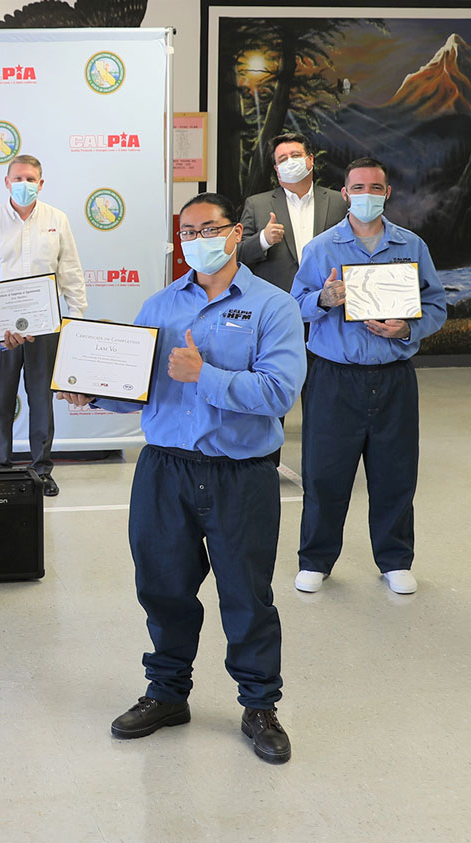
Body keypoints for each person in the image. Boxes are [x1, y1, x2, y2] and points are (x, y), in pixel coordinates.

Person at [63, 193, 305, 764]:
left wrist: (206, 376)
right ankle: (167, 693)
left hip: (241, 473)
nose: (195, 238)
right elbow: (138, 387)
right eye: (185, 231)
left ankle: (259, 704)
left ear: (234, 233)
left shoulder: (273, 307)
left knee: (246, 594)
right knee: (163, 588)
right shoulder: (159, 307)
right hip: (164, 470)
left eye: (208, 228)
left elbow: (279, 392)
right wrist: (92, 389)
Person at [288, 158, 446, 596]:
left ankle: (395, 558)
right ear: (344, 193)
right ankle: (316, 559)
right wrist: (323, 297)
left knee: (395, 472)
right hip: (334, 377)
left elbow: (435, 306)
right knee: (325, 472)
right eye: (358, 187)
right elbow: (293, 304)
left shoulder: (411, 246)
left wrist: (407, 327)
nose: (367, 195)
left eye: (376, 187)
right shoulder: (322, 248)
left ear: (387, 193)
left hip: (393, 377)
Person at [0, 154, 87, 496]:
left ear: (41, 183)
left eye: (30, 179)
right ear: (6, 183)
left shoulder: (57, 220)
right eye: (17, 179)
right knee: (1, 399)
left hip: (46, 326)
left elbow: (70, 272)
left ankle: (41, 469)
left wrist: (75, 318)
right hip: (0, 329)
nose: (24, 185)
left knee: (41, 399)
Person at [238, 132, 349, 291]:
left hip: (327, 300)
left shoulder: (339, 201)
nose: (290, 162)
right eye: (283, 159)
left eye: (296, 155)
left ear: (310, 160)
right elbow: (237, 255)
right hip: (276, 302)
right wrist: (263, 239)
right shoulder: (256, 204)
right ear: (277, 169)